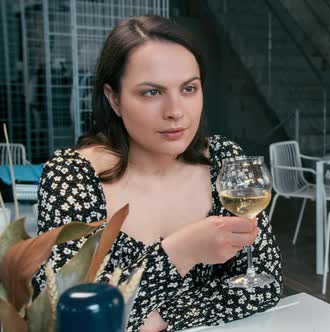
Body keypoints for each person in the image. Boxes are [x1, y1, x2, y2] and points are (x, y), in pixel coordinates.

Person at [33, 15, 282, 332]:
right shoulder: (71, 175)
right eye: (152, 92)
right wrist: (179, 252)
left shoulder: (225, 160)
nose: (176, 111)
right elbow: (64, 318)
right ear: (114, 98)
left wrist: (165, 315)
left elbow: (265, 283)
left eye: (189, 88)